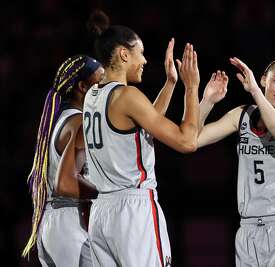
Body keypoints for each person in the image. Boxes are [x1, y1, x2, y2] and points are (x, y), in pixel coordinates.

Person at [84, 11, 200, 267]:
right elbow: (187, 141)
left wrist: (171, 83)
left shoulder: (93, 94)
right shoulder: (128, 95)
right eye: (141, 52)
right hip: (133, 211)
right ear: (124, 54)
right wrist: (191, 87)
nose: (145, 60)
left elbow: (141, 126)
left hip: (102, 213)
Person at [198, 58, 275, 266]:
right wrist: (207, 101)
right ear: (264, 80)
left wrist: (255, 91)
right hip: (248, 229)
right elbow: (191, 140)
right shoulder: (243, 115)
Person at [22, 55, 104, 266]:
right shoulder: (79, 121)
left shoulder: (57, 119)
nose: (105, 88)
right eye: (100, 82)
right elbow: (67, 184)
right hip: (70, 222)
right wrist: (109, 192)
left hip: (52, 224)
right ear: (83, 87)